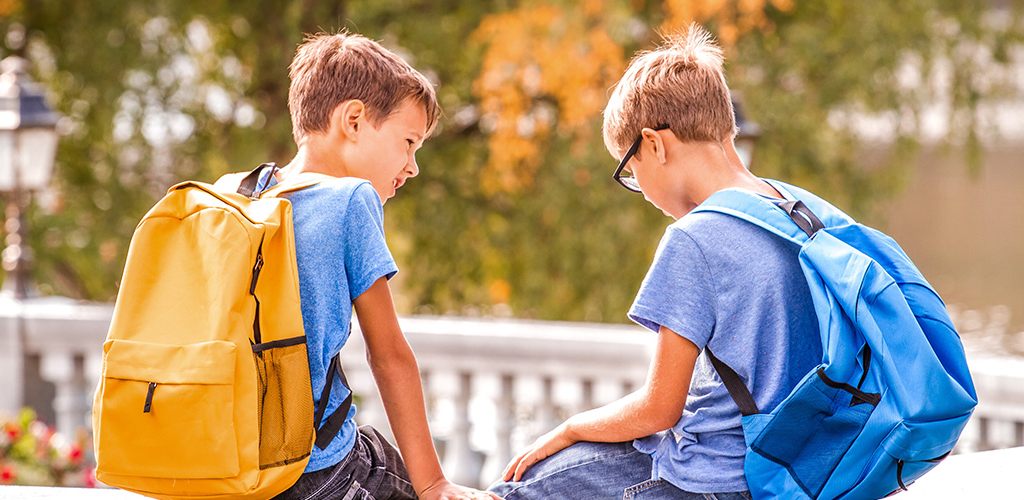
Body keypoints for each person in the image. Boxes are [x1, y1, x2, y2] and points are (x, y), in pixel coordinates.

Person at [488, 24, 822, 500]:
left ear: (654, 144)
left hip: (717, 478)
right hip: (797, 468)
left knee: (518, 489)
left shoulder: (695, 238)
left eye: (631, 171)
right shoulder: (796, 209)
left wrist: (569, 428)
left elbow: (659, 409)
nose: (640, 190)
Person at [239, 32, 501, 500]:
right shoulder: (349, 199)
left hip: (235, 464)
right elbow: (389, 354)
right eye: (408, 142)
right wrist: (435, 484)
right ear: (354, 120)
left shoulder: (244, 192)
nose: (413, 166)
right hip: (313, 472)